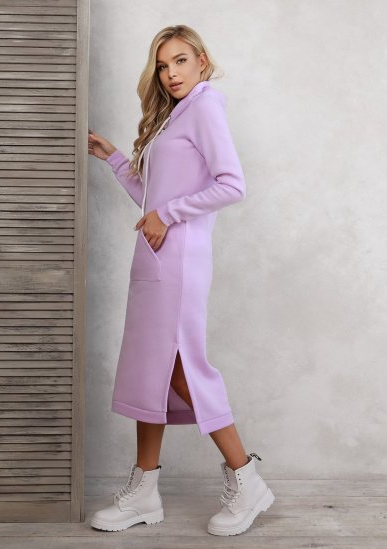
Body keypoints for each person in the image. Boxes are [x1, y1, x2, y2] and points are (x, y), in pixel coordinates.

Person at [88, 24, 275, 537]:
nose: (170, 73)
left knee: (181, 370)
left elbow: (232, 184)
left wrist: (167, 215)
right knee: (151, 368)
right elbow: (152, 199)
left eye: (180, 61)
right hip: (154, 260)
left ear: (201, 62)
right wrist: (114, 158)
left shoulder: (206, 105)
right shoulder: (175, 116)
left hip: (181, 261)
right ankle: (144, 491)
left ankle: (246, 478)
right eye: (163, 65)